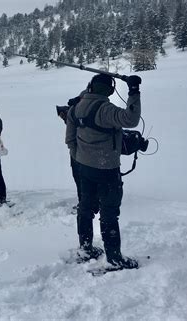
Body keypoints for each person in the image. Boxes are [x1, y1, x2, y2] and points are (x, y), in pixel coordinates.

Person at [65, 73, 142, 269]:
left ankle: (86, 248)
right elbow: (131, 119)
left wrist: (79, 156)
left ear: (90, 87)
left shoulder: (76, 107)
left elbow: (70, 139)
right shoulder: (106, 109)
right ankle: (114, 258)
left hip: (84, 167)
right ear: (109, 91)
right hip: (106, 169)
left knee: (85, 207)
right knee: (109, 213)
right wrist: (133, 91)